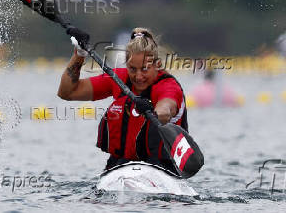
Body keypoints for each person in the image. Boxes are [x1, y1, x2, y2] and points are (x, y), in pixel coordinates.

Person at [58, 27, 188, 174]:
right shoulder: (118, 78)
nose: (138, 76)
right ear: (126, 65)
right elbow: (67, 92)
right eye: (132, 69)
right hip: (119, 167)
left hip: (162, 169)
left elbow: (166, 110)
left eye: (145, 69)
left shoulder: (168, 85)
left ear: (157, 65)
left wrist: (151, 110)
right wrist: (79, 54)